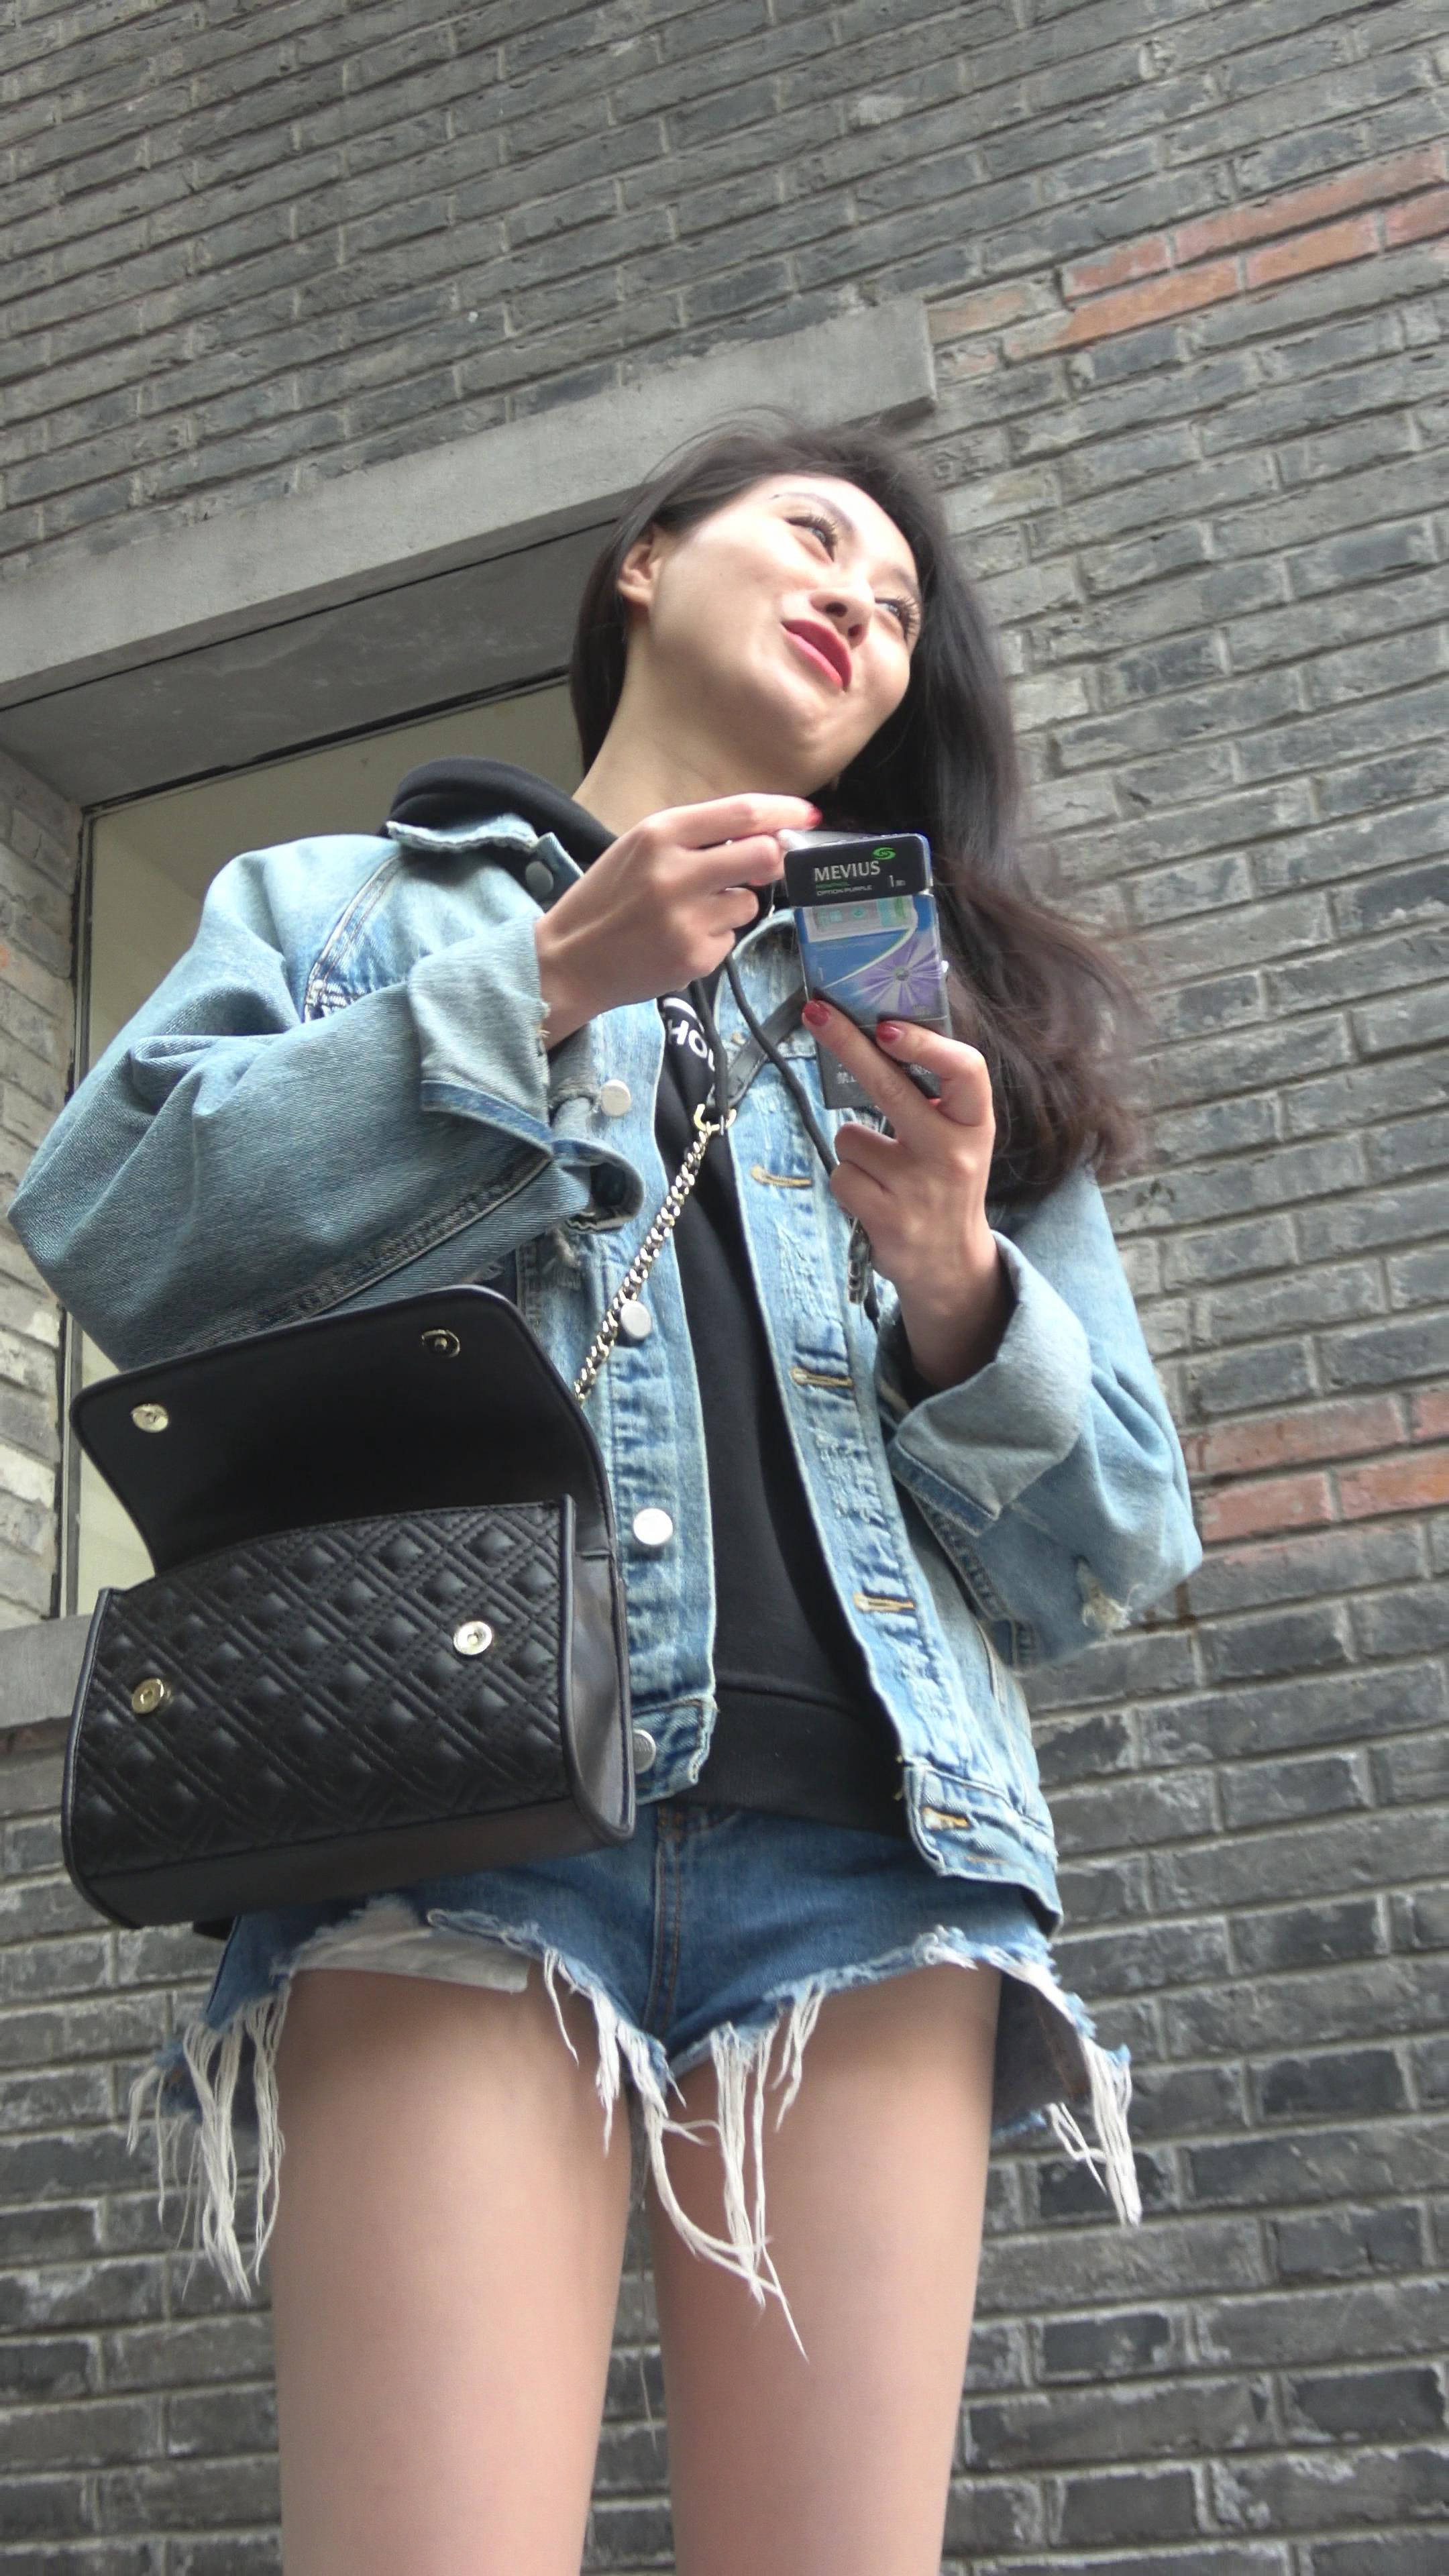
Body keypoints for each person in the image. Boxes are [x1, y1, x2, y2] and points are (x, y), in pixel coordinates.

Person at [11, 419, 1201, 2576]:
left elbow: (1118, 1543)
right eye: (814, 537)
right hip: (461, 1819)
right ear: (646, 561)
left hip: (877, 1864)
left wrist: (956, 1275)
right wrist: (547, 981)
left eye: (902, 611)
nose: (862, 603)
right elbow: (116, 1222)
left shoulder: (946, 1022)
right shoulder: (350, 906)